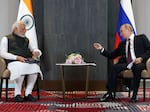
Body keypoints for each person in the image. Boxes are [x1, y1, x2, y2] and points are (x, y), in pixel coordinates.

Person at [93, 24, 150, 102]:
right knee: (114, 67)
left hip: (139, 62)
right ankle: (110, 93)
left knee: (137, 67)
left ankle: (134, 94)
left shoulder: (141, 38)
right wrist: (101, 49)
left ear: (128, 30)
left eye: (122, 31)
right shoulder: (122, 44)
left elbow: (149, 50)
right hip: (128, 64)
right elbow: (112, 55)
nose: (120, 34)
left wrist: (141, 58)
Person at [0, 21, 43, 102]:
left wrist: (37, 52)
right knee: (20, 66)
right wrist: (16, 57)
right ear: (16, 29)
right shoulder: (6, 39)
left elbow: (34, 49)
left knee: (35, 67)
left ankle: (28, 93)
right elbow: (2, 53)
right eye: (23, 29)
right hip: (12, 62)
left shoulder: (26, 40)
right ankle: (17, 94)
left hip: (26, 61)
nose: (25, 30)